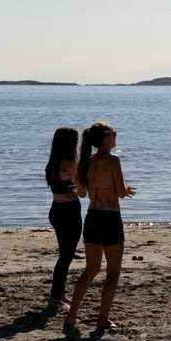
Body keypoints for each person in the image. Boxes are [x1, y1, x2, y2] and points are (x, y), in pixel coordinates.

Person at [65, 121, 135, 329]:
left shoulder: (87, 161)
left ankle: (71, 315)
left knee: (90, 269)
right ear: (105, 137)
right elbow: (120, 193)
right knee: (113, 272)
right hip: (110, 218)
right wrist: (125, 189)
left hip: (92, 217)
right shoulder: (112, 161)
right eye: (112, 132)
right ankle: (102, 319)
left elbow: (82, 192)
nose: (116, 134)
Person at [45, 127, 85, 310]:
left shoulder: (52, 163)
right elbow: (83, 193)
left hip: (56, 210)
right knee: (66, 256)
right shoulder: (71, 164)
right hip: (69, 211)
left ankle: (60, 294)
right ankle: (55, 297)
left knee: (64, 254)